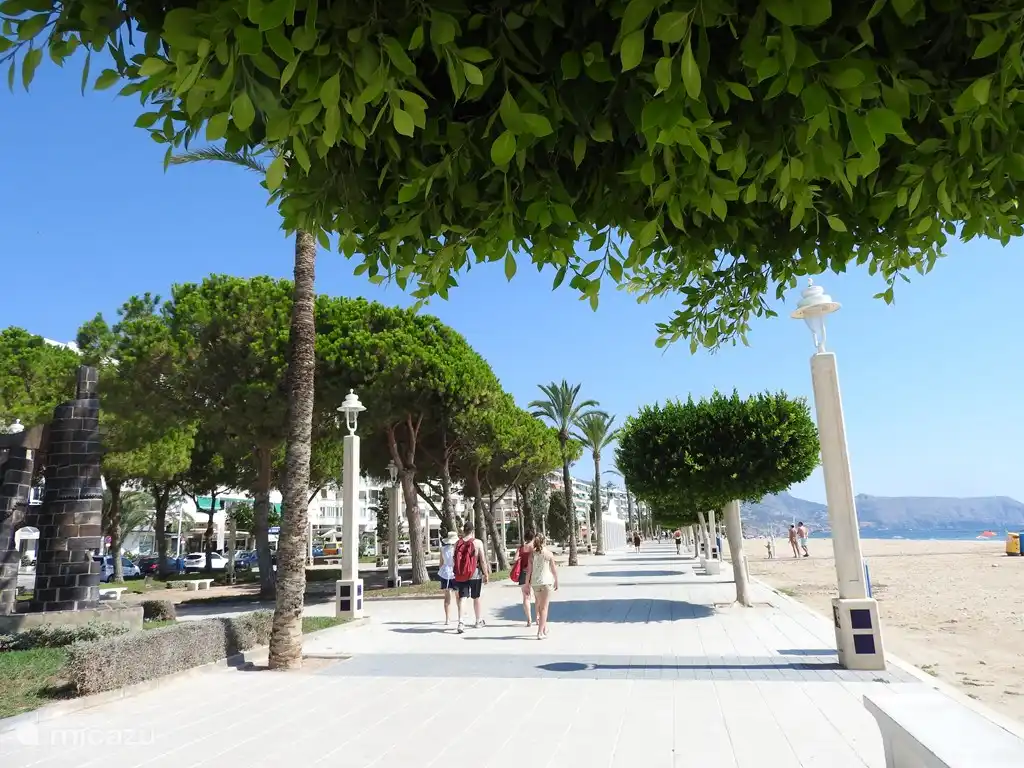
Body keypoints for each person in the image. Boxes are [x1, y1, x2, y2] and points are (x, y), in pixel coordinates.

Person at [453, 521, 489, 634]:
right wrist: (486, 573)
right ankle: (478, 621)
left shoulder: (457, 543)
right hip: (475, 574)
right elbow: (482, 560)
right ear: (473, 531)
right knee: (476, 598)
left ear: (464, 531)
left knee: (463, 598)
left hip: (462, 574)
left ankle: (461, 622)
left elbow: (454, 559)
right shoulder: (477, 543)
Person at [525, 533, 559, 639]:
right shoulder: (549, 554)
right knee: (544, 608)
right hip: (546, 582)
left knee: (540, 606)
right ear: (544, 541)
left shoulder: (532, 554)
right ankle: (540, 632)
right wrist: (556, 580)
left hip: (535, 583)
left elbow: (529, 571)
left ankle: (543, 628)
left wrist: (527, 584)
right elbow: (553, 569)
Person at [513, 531, 535, 627]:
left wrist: (521, 559)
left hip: (523, 573)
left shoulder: (521, 547)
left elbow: (515, 559)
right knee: (537, 596)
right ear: (533, 537)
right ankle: (538, 617)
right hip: (534, 573)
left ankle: (529, 619)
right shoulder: (534, 547)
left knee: (526, 597)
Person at [438, 530, 459, 625]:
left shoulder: (442, 549)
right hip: (455, 573)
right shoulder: (456, 549)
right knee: (458, 595)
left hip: (445, 573)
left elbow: (441, 563)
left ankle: (447, 619)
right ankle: (460, 616)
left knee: (447, 597)